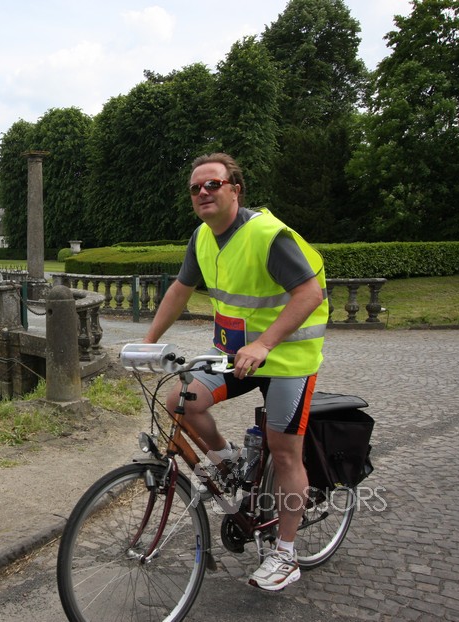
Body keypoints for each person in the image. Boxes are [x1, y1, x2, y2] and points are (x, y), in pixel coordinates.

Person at [143, 152, 328, 591]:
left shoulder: (266, 235)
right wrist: (148, 342)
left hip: (288, 358)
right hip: (235, 353)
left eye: (213, 184)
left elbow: (310, 294)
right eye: (195, 188)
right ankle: (229, 463)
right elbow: (180, 289)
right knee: (180, 400)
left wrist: (266, 343)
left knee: (284, 450)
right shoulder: (203, 237)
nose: (203, 192)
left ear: (235, 189)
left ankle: (285, 554)